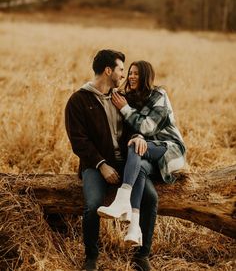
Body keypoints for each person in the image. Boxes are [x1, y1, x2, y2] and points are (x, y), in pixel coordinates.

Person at [65, 50, 158, 271]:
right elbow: (79, 141)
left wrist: (137, 136)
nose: (123, 75)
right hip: (95, 165)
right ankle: (91, 258)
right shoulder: (78, 100)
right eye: (120, 70)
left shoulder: (120, 99)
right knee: (92, 206)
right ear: (108, 70)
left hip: (127, 163)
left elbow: (133, 128)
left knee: (151, 198)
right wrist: (101, 165)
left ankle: (141, 255)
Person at [97, 60, 186, 256]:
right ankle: (134, 227)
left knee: (136, 146)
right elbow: (131, 131)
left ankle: (123, 199)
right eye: (130, 73)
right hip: (146, 156)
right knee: (141, 168)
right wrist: (135, 134)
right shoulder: (130, 98)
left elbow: (147, 128)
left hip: (168, 149)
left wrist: (126, 111)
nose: (131, 77)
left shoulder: (159, 95)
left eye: (136, 73)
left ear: (146, 76)